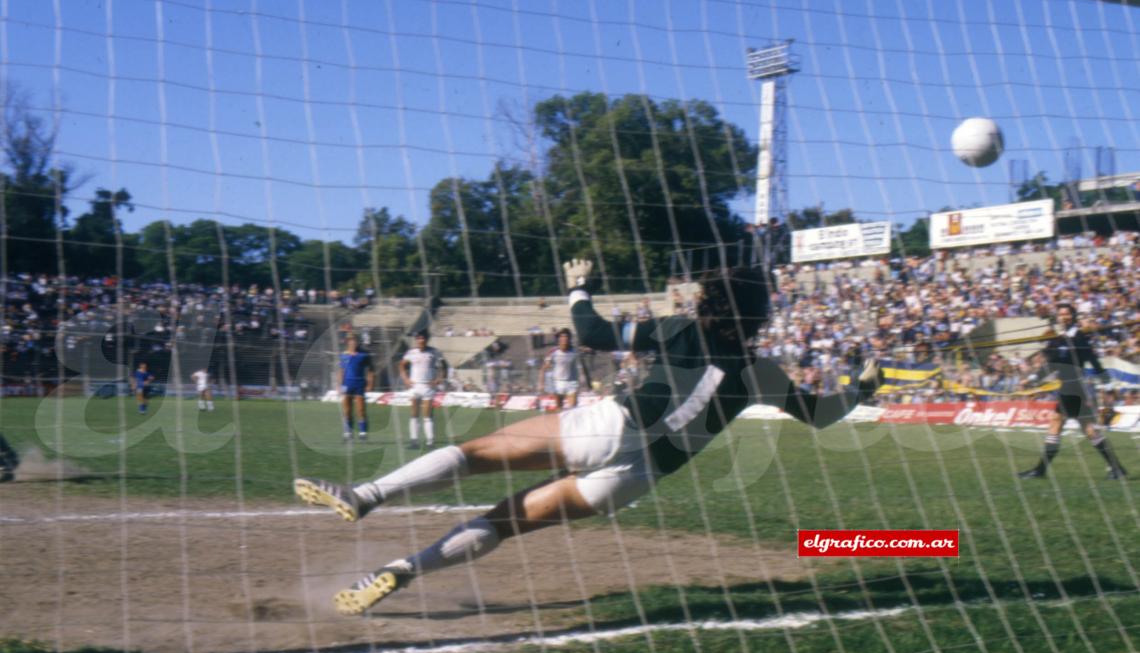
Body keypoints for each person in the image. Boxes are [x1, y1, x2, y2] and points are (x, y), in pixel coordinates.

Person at [294, 260, 882, 615]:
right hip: (634, 478)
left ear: (708, 298)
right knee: (503, 522)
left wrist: (578, 288)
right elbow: (824, 415)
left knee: (473, 456)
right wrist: (861, 388)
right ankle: (400, 570)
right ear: (758, 315)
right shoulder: (764, 373)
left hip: (606, 428)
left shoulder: (679, 328)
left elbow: (596, 331)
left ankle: (365, 495)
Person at [1018, 303, 1127, 480]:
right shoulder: (1059, 339)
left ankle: (1040, 470)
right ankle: (1117, 468)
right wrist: (1032, 380)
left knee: (1056, 422)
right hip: (1068, 389)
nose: (1063, 317)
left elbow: (1094, 361)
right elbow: (1049, 365)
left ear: (1073, 316)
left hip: (1074, 389)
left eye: (1067, 314)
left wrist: (1107, 385)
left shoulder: (1079, 337)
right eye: (1061, 314)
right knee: (1089, 430)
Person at [400, 329, 445, 448]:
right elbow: (401, 365)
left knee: (427, 415)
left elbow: (443, 365)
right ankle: (414, 441)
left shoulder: (434, 352)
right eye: (419, 338)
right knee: (414, 414)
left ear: (426, 339)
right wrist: (405, 379)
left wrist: (439, 378)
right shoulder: (411, 352)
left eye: (423, 338)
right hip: (415, 386)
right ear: (416, 340)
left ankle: (430, 441)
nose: (421, 340)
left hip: (428, 387)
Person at [338, 335, 374, 442]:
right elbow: (341, 371)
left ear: (357, 342)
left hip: (359, 384)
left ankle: (363, 433)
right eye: (350, 340)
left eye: (354, 340)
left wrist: (370, 383)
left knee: (361, 410)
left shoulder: (364, 355)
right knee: (347, 410)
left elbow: (370, 370)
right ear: (347, 342)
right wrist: (339, 385)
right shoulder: (344, 355)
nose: (353, 342)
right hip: (347, 384)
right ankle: (347, 433)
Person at [539, 328, 580, 410]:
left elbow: (581, 363)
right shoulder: (553, 352)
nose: (564, 338)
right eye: (562, 336)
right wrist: (541, 383)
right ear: (559, 339)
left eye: (566, 336)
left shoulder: (575, 351)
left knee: (573, 409)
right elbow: (543, 368)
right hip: (558, 383)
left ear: (569, 339)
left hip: (572, 383)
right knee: (559, 410)